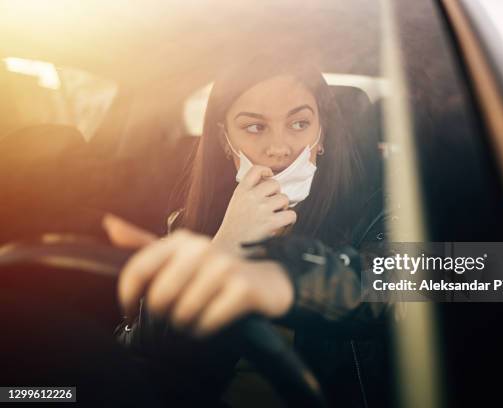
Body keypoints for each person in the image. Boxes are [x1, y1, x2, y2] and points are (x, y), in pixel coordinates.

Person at [105, 54, 392, 408]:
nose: (279, 148)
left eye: (299, 124)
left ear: (323, 133)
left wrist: (286, 280)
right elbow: (141, 360)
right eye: (255, 127)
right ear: (226, 141)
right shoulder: (189, 223)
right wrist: (224, 247)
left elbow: (460, 278)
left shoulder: (378, 210)